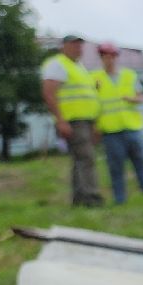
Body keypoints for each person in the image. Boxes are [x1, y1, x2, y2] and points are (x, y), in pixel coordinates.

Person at [40, 35, 103, 206]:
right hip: (73, 121)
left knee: (80, 160)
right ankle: (92, 198)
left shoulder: (79, 67)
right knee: (86, 158)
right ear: (64, 46)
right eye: (74, 45)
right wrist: (61, 120)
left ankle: (80, 198)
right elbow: (49, 93)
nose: (78, 48)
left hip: (85, 120)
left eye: (80, 45)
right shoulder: (57, 65)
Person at [92, 41, 143, 204]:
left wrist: (131, 99)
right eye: (106, 57)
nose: (110, 60)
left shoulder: (129, 75)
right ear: (102, 58)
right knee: (116, 168)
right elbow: (93, 104)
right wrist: (96, 128)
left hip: (132, 128)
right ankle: (120, 199)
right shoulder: (94, 79)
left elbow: (141, 97)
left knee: (142, 163)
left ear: (116, 58)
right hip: (110, 131)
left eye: (113, 56)